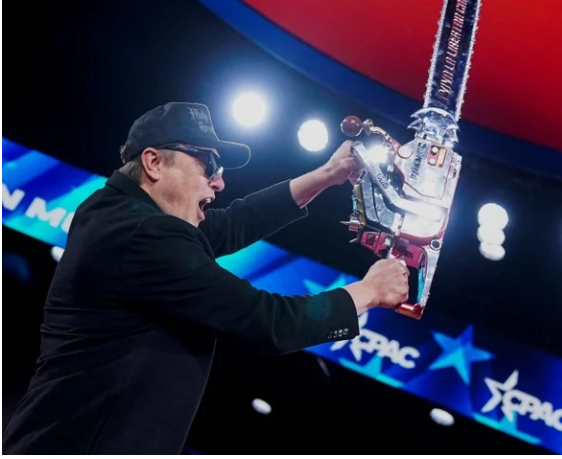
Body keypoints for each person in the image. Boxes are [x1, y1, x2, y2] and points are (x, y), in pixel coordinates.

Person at [2, 101, 410, 454]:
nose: (219, 181)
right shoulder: (142, 234)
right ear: (154, 163)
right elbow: (269, 322)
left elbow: (231, 224)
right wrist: (368, 291)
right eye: (208, 165)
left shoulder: (116, 213)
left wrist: (328, 174)